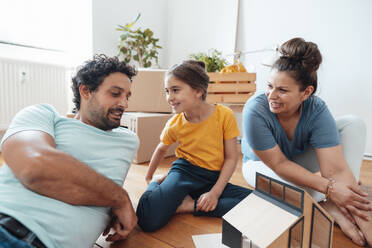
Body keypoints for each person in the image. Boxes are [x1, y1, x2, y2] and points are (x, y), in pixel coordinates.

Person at [241, 37, 372, 246]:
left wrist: (365, 220)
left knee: (353, 124)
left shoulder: (316, 108)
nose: (271, 95)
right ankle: (329, 205)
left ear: (306, 92)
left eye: (282, 90)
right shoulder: (255, 110)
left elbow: (335, 171)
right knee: (306, 192)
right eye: (269, 86)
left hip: (299, 160)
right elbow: (280, 164)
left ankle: (345, 203)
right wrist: (329, 189)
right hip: (261, 166)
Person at [0, 55, 140, 248]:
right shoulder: (41, 115)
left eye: (127, 96)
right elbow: (35, 167)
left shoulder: (128, 140)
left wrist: (111, 201)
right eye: (115, 93)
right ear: (86, 91)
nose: (124, 104)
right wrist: (119, 198)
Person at [136, 60, 252, 232]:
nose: (169, 97)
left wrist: (215, 193)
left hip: (212, 178)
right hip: (184, 173)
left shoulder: (224, 115)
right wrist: (150, 179)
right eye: (167, 91)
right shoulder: (175, 123)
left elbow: (231, 158)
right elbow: (161, 149)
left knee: (256, 202)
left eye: (175, 90)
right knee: (147, 220)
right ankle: (169, 191)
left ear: (198, 91)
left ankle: (189, 205)